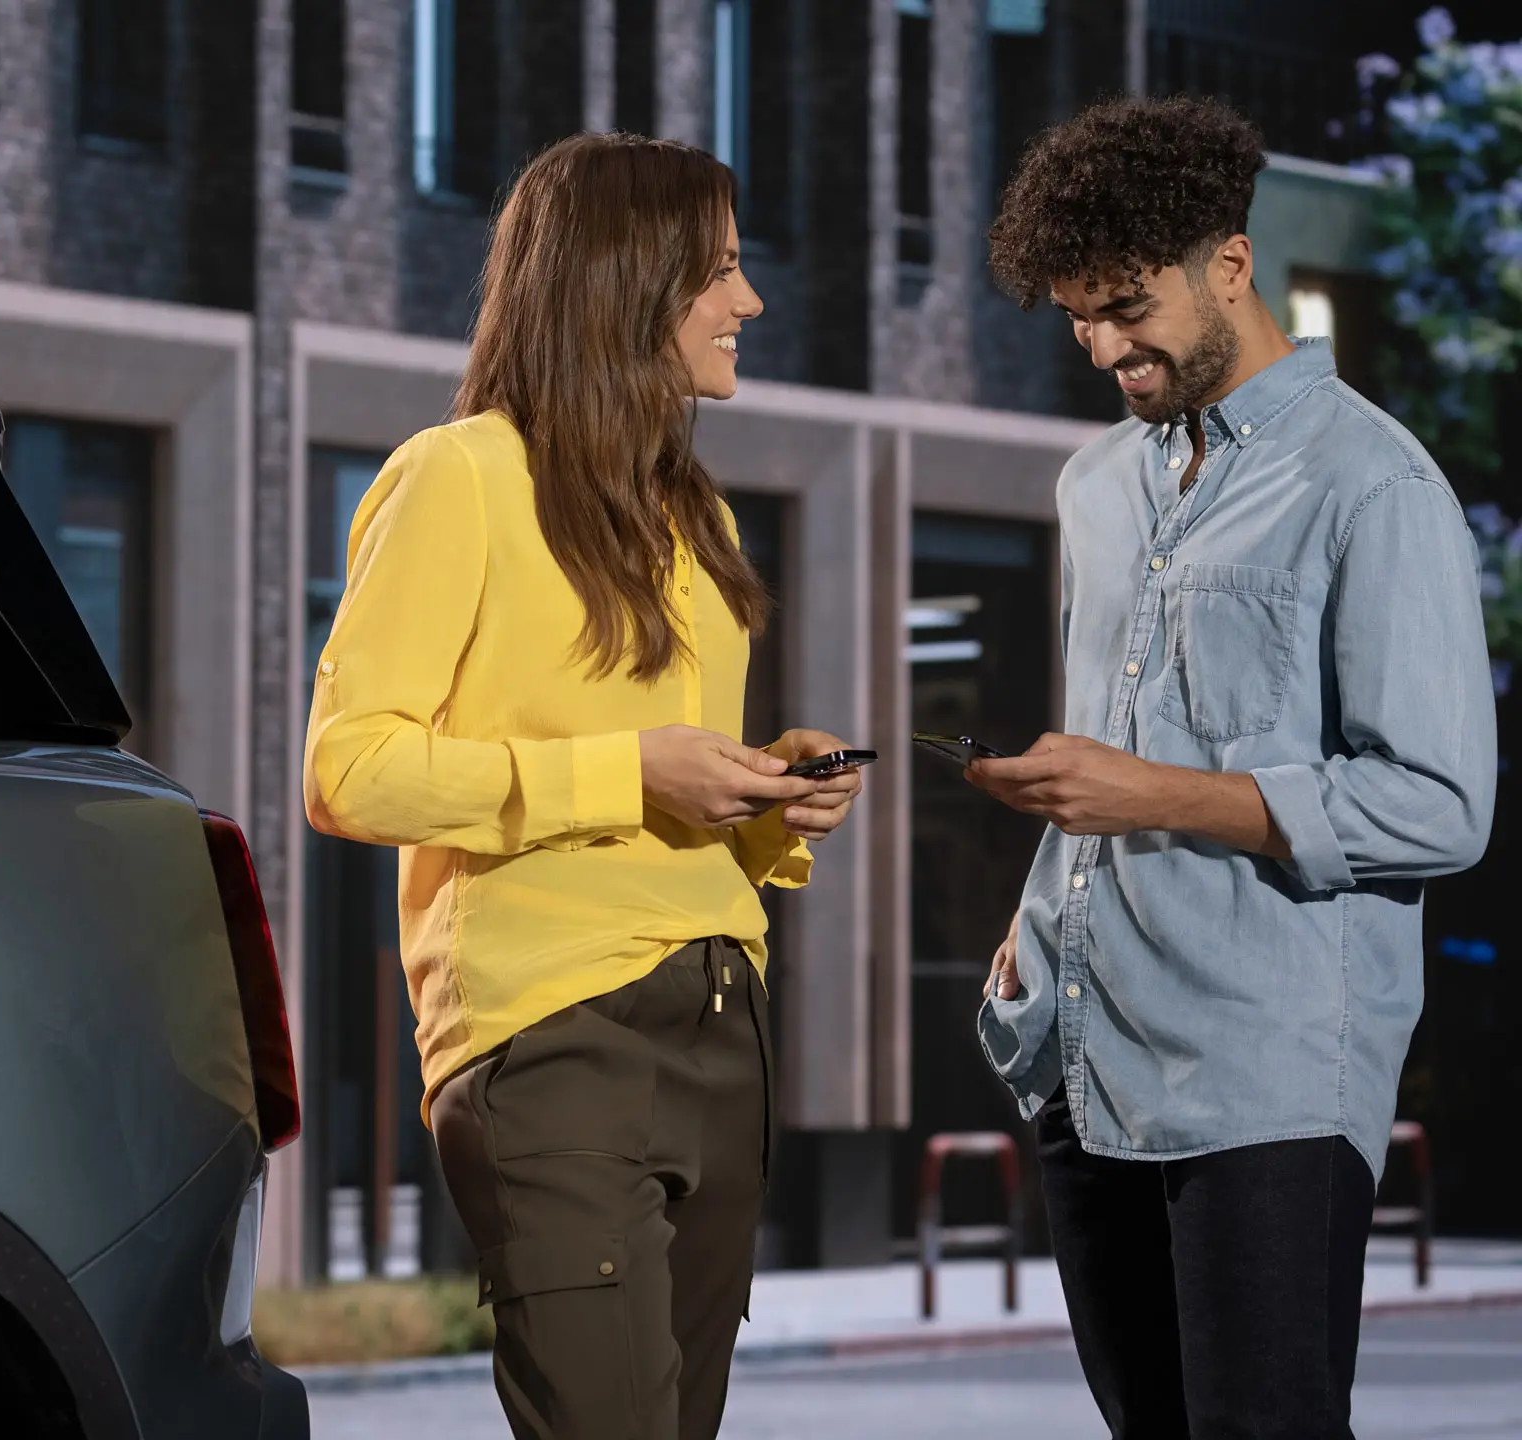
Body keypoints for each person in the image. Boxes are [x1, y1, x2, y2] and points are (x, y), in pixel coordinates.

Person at [302, 132, 863, 1440]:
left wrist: (771, 802)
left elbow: (665, 787)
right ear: (627, 282)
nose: (750, 303)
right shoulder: (459, 479)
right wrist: (628, 771)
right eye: (719, 272)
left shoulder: (697, 518)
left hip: (727, 1020)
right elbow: (350, 768)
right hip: (556, 1036)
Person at [968, 94, 1498, 1437]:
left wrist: (1147, 796)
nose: (1104, 348)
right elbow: (1116, 741)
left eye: (1128, 308)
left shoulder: (1373, 487)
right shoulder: (1095, 487)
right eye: (1079, 317)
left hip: (1266, 1067)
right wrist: (1038, 921)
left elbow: (1441, 804)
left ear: (1231, 265)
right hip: (1086, 1050)